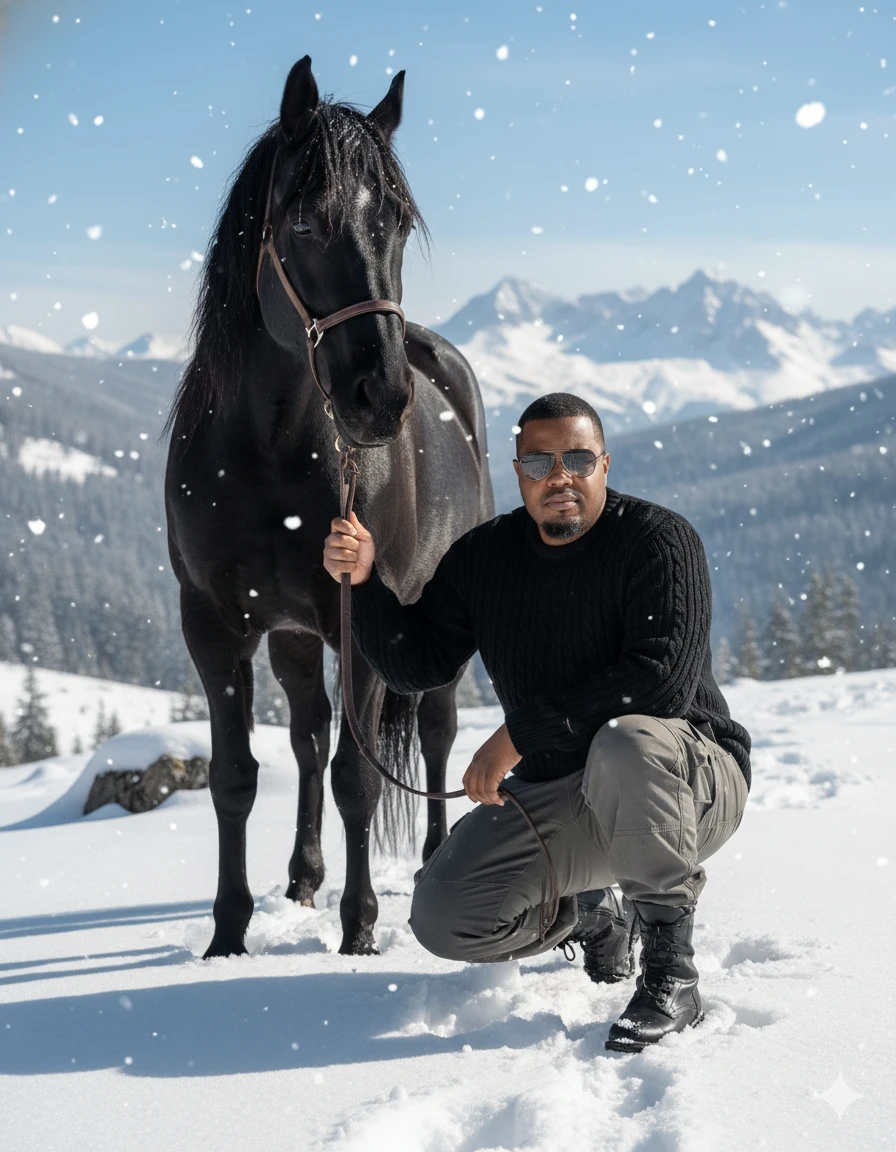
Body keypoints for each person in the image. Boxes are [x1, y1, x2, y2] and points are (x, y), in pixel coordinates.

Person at [323, 392, 751, 1052]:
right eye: (541, 461)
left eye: (579, 458)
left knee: (626, 740)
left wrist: (519, 734)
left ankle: (671, 973)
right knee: (445, 915)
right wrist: (365, 581)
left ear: (605, 464)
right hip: (568, 788)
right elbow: (418, 664)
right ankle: (583, 912)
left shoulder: (659, 541)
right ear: (517, 471)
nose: (561, 476)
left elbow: (657, 683)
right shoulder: (486, 557)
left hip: (688, 781)